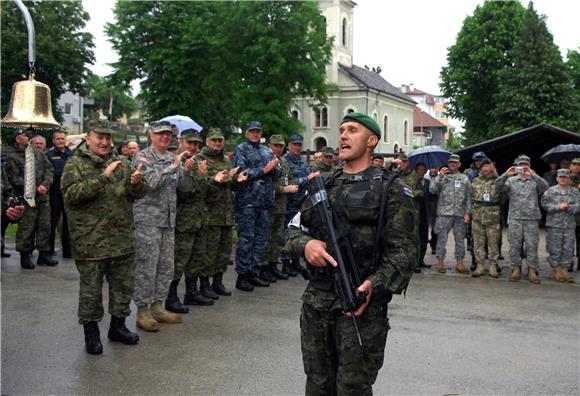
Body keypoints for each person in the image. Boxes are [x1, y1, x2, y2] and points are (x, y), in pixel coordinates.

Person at [285, 112, 418, 394]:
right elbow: (291, 230)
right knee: (317, 385)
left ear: (371, 141)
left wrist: (375, 285)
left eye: (352, 130)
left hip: (361, 306)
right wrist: (306, 245)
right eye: (342, 130)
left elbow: (405, 253)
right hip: (317, 303)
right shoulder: (324, 183)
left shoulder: (391, 188)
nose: (343, 135)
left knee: (352, 388)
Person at [61, 121, 148, 355]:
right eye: (99, 137)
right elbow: (72, 195)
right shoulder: (75, 163)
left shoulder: (121, 163)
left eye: (108, 137)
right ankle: (91, 334)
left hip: (121, 239)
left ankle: (117, 328)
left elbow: (137, 193)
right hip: (91, 241)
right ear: (87, 138)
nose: (105, 142)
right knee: (91, 292)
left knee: (123, 287)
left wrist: (137, 183)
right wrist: (103, 178)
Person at [132, 121, 194, 331]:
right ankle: (142, 310)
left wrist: (186, 172)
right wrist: (173, 167)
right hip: (148, 221)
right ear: (152, 135)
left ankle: (158, 305)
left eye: (168, 135)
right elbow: (151, 185)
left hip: (168, 221)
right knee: (146, 266)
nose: (165, 138)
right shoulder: (142, 157)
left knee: (166, 266)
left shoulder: (171, 157)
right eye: (160, 134)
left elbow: (183, 189)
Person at [166, 129, 214, 314]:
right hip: (183, 219)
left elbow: (203, 192)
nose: (194, 146)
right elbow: (183, 193)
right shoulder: (175, 162)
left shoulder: (197, 163)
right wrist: (199, 176)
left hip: (199, 218)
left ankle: (191, 292)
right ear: (181, 142)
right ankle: (171, 297)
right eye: (190, 143)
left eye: (196, 144)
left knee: (196, 258)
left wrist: (211, 180)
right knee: (179, 259)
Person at [231, 121, 281, 291]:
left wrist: (274, 168)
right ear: (246, 133)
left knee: (261, 240)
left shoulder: (266, 150)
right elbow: (241, 173)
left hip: (264, 202)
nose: (255, 134)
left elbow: (277, 171)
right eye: (252, 132)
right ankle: (242, 276)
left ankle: (254, 273)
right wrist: (264, 170)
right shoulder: (240, 150)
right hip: (248, 202)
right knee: (246, 240)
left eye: (258, 132)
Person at [3, 129, 58, 269]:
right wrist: (33, 187)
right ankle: (25, 254)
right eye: (25, 135)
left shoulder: (39, 154)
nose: (28, 138)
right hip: (26, 197)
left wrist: (45, 185)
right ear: (17, 138)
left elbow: (49, 170)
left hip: (43, 197)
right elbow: (14, 178)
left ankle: (44, 254)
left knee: (45, 226)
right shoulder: (13, 156)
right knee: (27, 227)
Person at [198, 128, 242, 297]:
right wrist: (215, 180)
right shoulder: (201, 159)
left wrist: (237, 180)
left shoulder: (226, 160)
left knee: (224, 252)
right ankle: (204, 284)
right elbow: (201, 185)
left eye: (220, 140)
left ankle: (218, 282)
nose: (217, 143)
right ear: (207, 142)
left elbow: (231, 185)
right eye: (214, 140)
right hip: (210, 214)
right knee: (209, 252)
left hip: (226, 213)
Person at [496, 155, 549, 284]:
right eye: (520, 165)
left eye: (525, 165)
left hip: (531, 219)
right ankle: (516, 268)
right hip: (515, 218)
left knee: (532, 245)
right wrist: (506, 175)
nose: (523, 167)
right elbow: (497, 188)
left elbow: (546, 188)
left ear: (529, 166)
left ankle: (532, 270)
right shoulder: (511, 180)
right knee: (515, 245)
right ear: (517, 166)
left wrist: (533, 175)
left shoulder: (535, 180)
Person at [283, 134, 319, 276]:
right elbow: (287, 182)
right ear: (289, 145)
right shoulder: (285, 161)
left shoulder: (303, 161)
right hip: (289, 202)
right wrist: (307, 178)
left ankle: (295, 263)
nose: (297, 147)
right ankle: (286, 264)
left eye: (299, 145)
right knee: (287, 234)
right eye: (294, 144)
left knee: (299, 232)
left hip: (301, 202)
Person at [429, 154, 471, 274]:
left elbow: (469, 197)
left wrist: (467, 213)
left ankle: (460, 262)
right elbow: (432, 190)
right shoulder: (442, 177)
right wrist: (439, 177)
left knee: (460, 239)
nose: (453, 164)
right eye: (451, 162)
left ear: (459, 164)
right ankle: (440, 261)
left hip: (459, 213)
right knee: (441, 239)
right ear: (448, 164)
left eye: (455, 162)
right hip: (444, 213)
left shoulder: (464, 179)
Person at [264, 134, 298, 281]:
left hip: (281, 207)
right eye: (275, 145)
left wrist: (291, 186)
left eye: (280, 146)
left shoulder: (283, 162)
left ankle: (272, 266)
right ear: (269, 146)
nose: (278, 148)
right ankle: (263, 268)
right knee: (266, 238)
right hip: (269, 206)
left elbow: (288, 179)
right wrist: (284, 189)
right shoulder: (266, 160)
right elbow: (266, 184)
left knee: (277, 238)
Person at [541, 169, 579, 283]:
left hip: (569, 225)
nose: (563, 179)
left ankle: (565, 269)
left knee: (568, 248)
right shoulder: (550, 191)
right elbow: (544, 205)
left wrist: (569, 207)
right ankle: (557, 269)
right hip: (554, 225)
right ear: (557, 178)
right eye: (561, 177)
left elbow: (578, 205)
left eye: (565, 177)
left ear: (569, 179)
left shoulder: (575, 191)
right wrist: (558, 207)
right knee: (554, 247)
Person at [470, 159, 503, 278]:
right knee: (478, 242)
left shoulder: (498, 181)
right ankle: (480, 265)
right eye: (483, 166)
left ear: (492, 167)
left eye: (488, 166)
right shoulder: (476, 181)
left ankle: (493, 265)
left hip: (492, 216)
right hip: (478, 215)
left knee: (493, 241)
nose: (485, 168)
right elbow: (471, 197)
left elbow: (503, 197)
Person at [45, 130, 74, 258]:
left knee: (68, 223)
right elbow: (51, 172)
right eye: (58, 139)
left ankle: (67, 251)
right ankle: (48, 250)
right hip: (54, 192)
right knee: (52, 221)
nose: (61, 141)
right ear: (53, 140)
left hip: (68, 192)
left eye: (63, 139)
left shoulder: (71, 154)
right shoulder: (49, 155)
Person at [413, 163, 432, 271]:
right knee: (415, 239)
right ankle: (414, 262)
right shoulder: (411, 182)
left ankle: (421, 260)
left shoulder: (428, 182)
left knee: (424, 238)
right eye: (419, 169)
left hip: (425, 214)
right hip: (414, 213)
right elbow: (409, 193)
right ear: (416, 170)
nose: (421, 171)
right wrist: (417, 192)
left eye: (423, 169)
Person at [570, 158, 580, 271]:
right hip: (569, 216)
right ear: (570, 166)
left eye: (579, 165)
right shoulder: (564, 178)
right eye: (574, 164)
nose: (577, 167)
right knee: (568, 241)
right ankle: (569, 263)